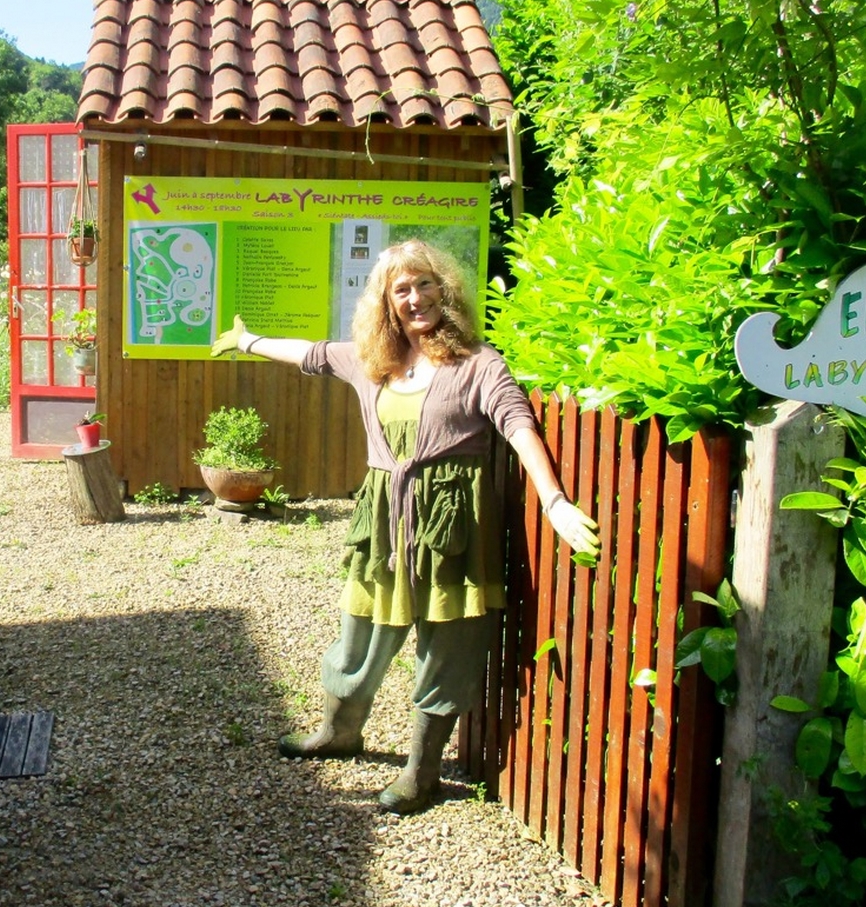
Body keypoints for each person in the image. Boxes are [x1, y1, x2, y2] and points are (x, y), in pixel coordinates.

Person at [210, 240, 598, 815]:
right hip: (384, 522)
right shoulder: (374, 361)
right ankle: (339, 731)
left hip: (452, 525)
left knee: (447, 646)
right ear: (386, 304)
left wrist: (555, 501)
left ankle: (422, 772)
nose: (415, 298)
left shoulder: (477, 364)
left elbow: (518, 423)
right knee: (359, 631)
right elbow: (311, 354)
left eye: (424, 284)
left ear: (445, 290)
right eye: (401, 290)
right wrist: (248, 341)